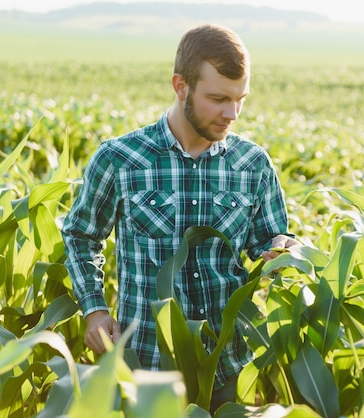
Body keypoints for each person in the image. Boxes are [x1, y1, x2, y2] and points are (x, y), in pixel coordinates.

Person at [61, 23, 298, 413]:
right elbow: (80, 235)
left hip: (228, 367)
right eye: (218, 98)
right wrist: (95, 308)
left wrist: (283, 248)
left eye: (241, 99)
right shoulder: (120, 159)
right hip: (147, 368)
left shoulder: (252, 164)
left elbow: (268, 239)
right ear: (180, 86)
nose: (232, 113)